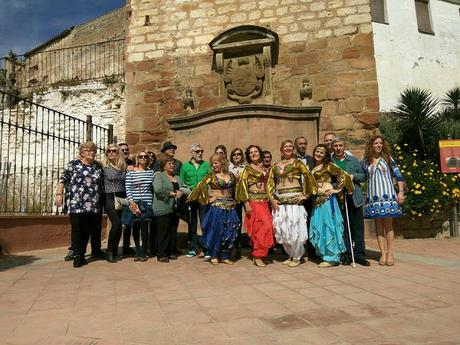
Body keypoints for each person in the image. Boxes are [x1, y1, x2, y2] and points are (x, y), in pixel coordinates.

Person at [267, 139, 316, 267]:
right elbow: (270, 183)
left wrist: (305, 195)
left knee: (295, 227)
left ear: (293, 149)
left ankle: (297, 256)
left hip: (295, 199)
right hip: (281, 200)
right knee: (283, 229)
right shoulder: (275, 165)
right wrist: (272, 199)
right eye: (285, 147)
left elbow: (309, 177)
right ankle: (290, 254)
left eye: (290, 147)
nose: (288, 149)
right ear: (281, 149)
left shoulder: (298, 163)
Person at [55, 141, 104, 268]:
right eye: (88, 150)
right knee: (77, 229)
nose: (92, 152)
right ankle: (77, 256)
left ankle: (82, 253)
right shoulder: (73, 164)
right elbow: (63, 180)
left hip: (92, 203)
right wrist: (59, 195)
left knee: (87, 230)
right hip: (76, 202)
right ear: (81, 153)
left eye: (93, 150)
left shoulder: (97, 167)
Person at [187, 153, 240, 265]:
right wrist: (208, 199)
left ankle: (225, 256)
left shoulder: (231, 175)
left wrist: (237, 199)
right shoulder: (211, 176)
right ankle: (214, 255)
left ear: (222, 162)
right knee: (217, 230)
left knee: (229, 230)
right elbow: (199, 187)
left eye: (215, 163)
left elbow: (238, 188)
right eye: (212, 164)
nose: (213, 166)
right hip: (217, 207)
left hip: (230, 206)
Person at [361, 135, 405, 266]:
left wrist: (401, 192)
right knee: (378, 226)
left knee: (388, 225)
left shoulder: (388, 159)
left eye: (380, 143)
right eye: (376, 143)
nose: (379, 145)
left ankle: (390, 253)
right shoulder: (365, 161)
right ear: (371, 145)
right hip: (373, 197)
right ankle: (382, 253)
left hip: (388, 196)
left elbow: (398, 175)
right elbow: (361, 176)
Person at [331, 137, 370, 266]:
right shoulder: (331, 162)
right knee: (344, 229)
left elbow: (363, 175)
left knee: (357, 228)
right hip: (339, 198)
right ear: (333, 147)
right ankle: (347, 254)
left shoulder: (352, 160)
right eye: (335, 146)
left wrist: (353, 177)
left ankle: (360, 255)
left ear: (344, 146)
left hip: (354, 198)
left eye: (340, 145)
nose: (338, 148)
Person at [236, 145, 274, 267]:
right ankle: (258, 255)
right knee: (263, 227)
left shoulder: (265, 168)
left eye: (256, 151)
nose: (253, 154)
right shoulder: (247, 169)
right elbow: (242, 186)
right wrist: (246, 203)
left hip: (265, 202)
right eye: (251, 152)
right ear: (248, 156)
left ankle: (258, 253)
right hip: (254, 201)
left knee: (265, 227)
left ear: (260, 153)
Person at [153, 156, 190, 262]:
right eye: (169, 163)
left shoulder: (177, 178)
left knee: (172, 230)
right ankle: (162, 254)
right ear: (164, 166)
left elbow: (187, 188)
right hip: (162, 207)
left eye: (172, 163)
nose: (172, 165)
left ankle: (171, 251)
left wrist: (181, 191)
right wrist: (171, 193)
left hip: (175, 208)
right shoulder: (159, 176)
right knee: (163, 231)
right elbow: (158, 189)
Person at [179, 144, 211, 257]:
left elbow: (211, 180)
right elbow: (181, 182)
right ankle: (193, 247)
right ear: (192, 153)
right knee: (192, 223)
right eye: (197, 151)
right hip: (191, 197)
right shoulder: (185, 166)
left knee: (205, 222)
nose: (200, 153)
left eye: (201, 151)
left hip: (203, 197)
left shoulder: (207, 165)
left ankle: (206, 248)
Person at [125, 151, 155, 261]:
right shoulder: (131, 172)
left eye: (145, 156)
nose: (143, 158)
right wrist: (131, 202)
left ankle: (143, 251)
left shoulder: (151, 172)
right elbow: (128, 188)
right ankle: (137, 250)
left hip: (147, 203)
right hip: (135, 203)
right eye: (140, 156)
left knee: (144, 227)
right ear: (137, 158)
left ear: (148, 159)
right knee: (136, 226)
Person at [103, 144, 127, 263]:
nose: (111, 153)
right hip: (110, 197)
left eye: (114, 151)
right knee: (116, 223)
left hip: (122, 197)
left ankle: (115, 250)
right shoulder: (104, 167)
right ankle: (110, 252)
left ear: (118, 153)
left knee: (120, 225)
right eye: (109, 151)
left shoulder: (123, 167)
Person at [118, 142, 135, 256]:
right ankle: (114, 248)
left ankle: (126, 247)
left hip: (128, 195)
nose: (125, 151)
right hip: (118, 195)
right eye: (122, 150)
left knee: (128, 222)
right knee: (118, 223)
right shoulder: (116, 163)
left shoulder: (130, 163)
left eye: (126, 150)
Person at [229, 147, 245, 258]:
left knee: (243, 221)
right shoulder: (228, 168)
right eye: (234, 154)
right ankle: (234, 247)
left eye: (238, 154)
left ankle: (240, 246)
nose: (236, 156)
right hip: (233, 198)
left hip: (244, 197)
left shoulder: (246, 168)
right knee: (234, 222)